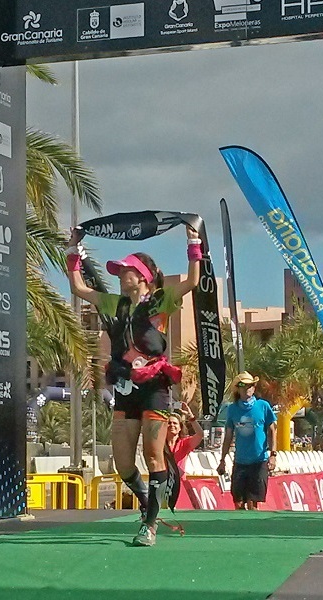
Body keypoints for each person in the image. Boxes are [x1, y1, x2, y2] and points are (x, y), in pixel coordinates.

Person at [66, 225, 201, 547]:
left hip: (155, 388)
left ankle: (149, 526)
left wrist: (193, 241)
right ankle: (145, 502)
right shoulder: (114, 304)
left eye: (126, 270)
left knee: (154, 457)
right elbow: (78, 288)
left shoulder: (161, 301)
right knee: (123, 463)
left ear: (142, 276)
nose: (120, 275)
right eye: (119, 271)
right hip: (125, 388)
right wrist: (72, 249)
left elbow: (193, 281)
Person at [217, 371, 277, 510]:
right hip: (240, 462)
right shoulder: (232, 409)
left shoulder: (263, 406)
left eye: (250, 385)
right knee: (238, 502)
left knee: (252, 503)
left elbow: (272, 430)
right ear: (238, 389)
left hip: (259, 461)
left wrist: (273, 455)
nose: (247, 388)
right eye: (242, 385)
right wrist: (222, 460)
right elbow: (228, 436)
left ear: (254, 388)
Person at [166, 400, 203, 477]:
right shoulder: (160, 443)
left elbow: (200, 434)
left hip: (180, 481)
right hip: (164, 480)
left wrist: (191, 417)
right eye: (169, 423)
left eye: (175, 423)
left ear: (180, 428)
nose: (172, 425)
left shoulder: (184, 443)